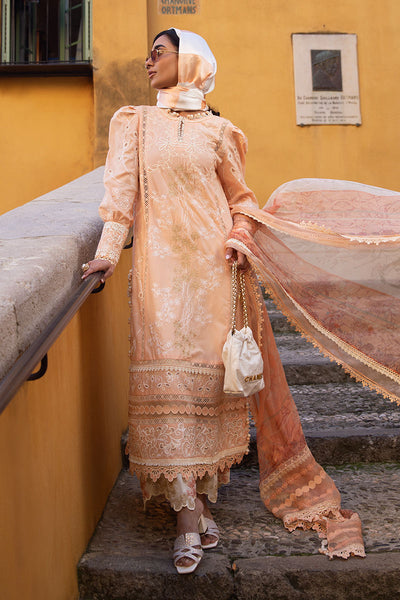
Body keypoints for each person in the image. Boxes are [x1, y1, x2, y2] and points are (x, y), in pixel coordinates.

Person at [82, 28, 370, 574]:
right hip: (161, 279)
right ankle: (187, 518)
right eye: (149, 54)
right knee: (170, 391)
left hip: (216, 274)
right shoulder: (134, 123)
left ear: (189, 60)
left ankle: (197, 507)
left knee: (211, 391)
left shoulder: (220, 131)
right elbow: (119, 197)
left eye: (159, 52)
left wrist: (239, 236)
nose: (148, 62)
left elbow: (241, 200)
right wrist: (106, 255)